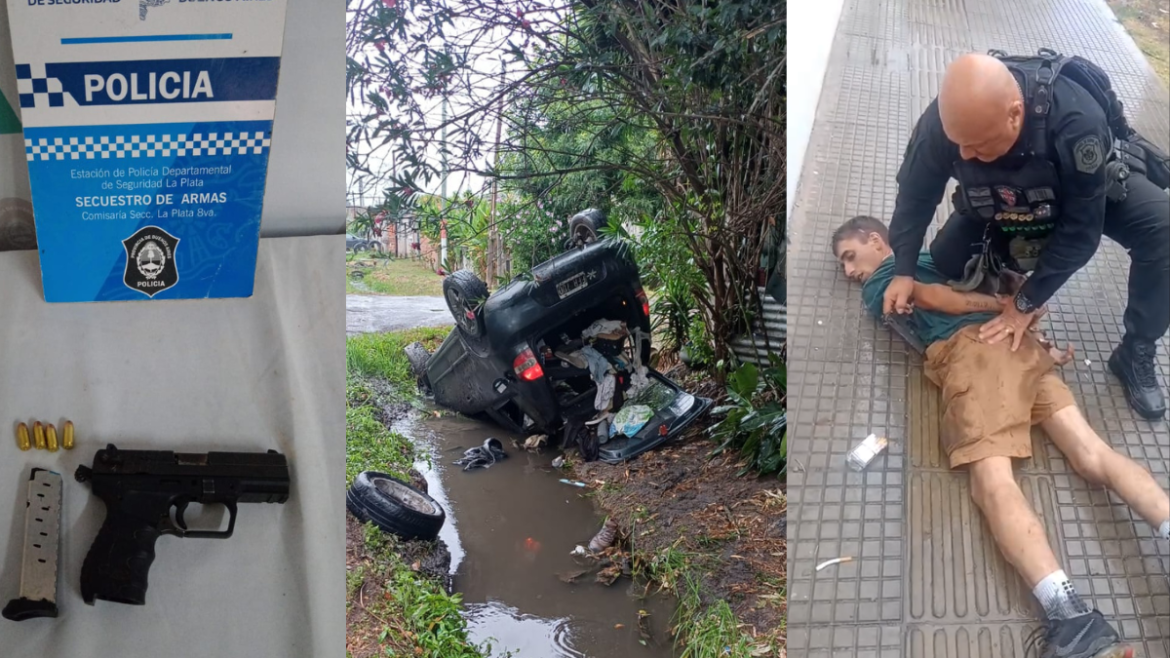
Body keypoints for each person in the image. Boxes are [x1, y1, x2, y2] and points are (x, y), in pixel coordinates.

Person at [833, 215, 1169, 658]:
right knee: (1093, 453)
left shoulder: (886, 279)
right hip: (1020, 348)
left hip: (974, 355)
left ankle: (1071, 617)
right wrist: (1028, 328)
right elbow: (995, 289)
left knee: (991, 482)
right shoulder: (945, 257)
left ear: (876, 240)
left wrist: (1003, 310)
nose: (849, 271)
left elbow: (933, 297)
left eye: (849, 256)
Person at [882, 51, 1170, 420]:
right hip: (1001, 201)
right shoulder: (945, 124)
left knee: (1162, 229)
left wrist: (1025, 304)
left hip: (1077, 197)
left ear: (1015, 114)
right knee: (944, 261)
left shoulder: (1076, 120)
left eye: (977, 145)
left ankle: (1137, 350)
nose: (965, 156)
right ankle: (1003, 265)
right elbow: (915, 195)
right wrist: (903, 269)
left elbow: (1082, 233)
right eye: (959, 146)